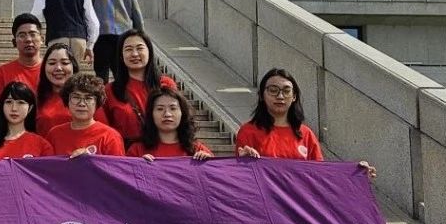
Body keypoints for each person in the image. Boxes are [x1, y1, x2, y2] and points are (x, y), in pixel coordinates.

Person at [235, 68, 378, 179]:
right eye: (273, 90)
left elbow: (321, 175)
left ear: (294, 97)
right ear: (261, 95)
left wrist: (355, 174)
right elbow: (240, 179)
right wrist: (242, 162)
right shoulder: (248, 131)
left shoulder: (306, 134)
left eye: (286, 91)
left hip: (299, 205)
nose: (280, 96)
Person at [101, 30, 178, 147]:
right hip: (125, 153)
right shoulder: (109, 90)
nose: (135, 54)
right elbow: (102, 130)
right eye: (128, 49)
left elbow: (179, 120)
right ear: (121, 56)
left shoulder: (165, 84)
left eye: (140, 48)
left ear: (149, 52)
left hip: (161, 151)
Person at [91, 0, 145, 83]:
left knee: (101, 74)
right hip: (123, 37)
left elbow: (88, 12)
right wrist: (141, 36)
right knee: (121, 74)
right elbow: (136, 15)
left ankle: (102, 95)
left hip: (100, 36)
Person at [48, 73, 125, 157]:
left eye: (88, 98)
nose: (82, 104)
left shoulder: (110, 136)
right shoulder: (54, 134)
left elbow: (117, 165)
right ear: (67, 101)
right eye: (76, 97)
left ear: (97, 103)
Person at [132, 86, 213, 161]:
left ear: (182, 113)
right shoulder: (137, 151)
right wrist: (138, 165)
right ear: (151, 114)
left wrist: (208, 163)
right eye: (160, 109)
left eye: (173, 108)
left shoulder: (197, 150)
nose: (167, 114)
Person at [0, 82, 53, 160]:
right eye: (9, 102)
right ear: (1, 106)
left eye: (21, 102)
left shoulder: (42, 146)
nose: (14, 108)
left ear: (30, 108)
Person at [0, 14, 45, 100]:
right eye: (22, 35)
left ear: (42, 39)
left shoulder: (51, 70)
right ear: (14, 42)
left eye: (33, 34)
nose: (28, 39)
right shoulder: (2, 73)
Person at [34, 41, 77, 138]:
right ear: (44, 67)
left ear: (73, 66)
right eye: (52, 63)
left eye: (65, 63)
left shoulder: (87, 97)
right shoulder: (35, 98)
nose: (58, 68)